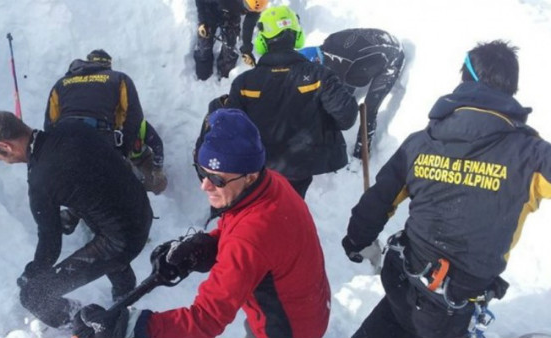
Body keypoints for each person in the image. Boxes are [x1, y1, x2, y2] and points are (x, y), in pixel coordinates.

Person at [341, 40, 548, 338]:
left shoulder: (421, 143)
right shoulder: (530, 157)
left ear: (465, 80)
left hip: (404, 282)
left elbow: (378, 199)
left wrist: (357, 240)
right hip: (451, 305)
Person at [71, 108, 331, 338]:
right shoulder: (268, 183)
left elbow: (206, 320)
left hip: (285, 329)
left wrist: (132, 328)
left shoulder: (250, 237)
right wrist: (207, 245)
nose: (204, 185)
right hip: (305, 306)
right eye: (201, 172)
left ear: (250, 176)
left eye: (217, 179)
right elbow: (250, 235)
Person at [0, 111, 153, 329]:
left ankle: (89, 327)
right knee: (106, 234)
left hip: (122, 240)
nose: (6, 162)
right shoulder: (72, 127)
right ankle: (125, 294)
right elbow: (99, 170)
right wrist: (74, 212)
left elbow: (50, 245)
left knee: (34, 296)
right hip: (140, 210)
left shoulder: (40, 182)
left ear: (5, 146)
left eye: (0, 158)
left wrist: (32, 274)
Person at [212, 5, 358, 198]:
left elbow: (232, 130)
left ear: (262, 40)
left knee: (259, 210)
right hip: (301, 169)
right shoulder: (320, 76)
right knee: (290, 208)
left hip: (258, 168)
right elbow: (346, 118)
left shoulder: (244, 83)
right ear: (297, 35)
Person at [44, 49, 167, 195]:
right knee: (114, 188)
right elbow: (134, 116)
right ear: (108, 65)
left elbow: (50, 123)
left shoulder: (61, 84)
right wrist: (123, 150)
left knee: (81, 184)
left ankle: (74, 213)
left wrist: (54, 152)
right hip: (100, 140)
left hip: (67, 144)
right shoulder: (118, 79)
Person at [298, 28, 405, 162]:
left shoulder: (337, 60)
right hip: (371, 53)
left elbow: (335, 99)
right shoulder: (328, 47)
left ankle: (361, 155)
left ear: (316, 62)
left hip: (393, 57)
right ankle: (327, 141)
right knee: (343, 89)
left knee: (369, 108)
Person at [194, 0, 268, 80]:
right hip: (211, 9)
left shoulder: (258, 5)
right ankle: (204, 61)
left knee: (230, 47)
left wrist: (247, 50)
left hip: (232, 15)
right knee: (204, 39)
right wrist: (202, 21)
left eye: (252, 10)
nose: (249, 11)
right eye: (248, 8)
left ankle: (224, 71)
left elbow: (248, 26)